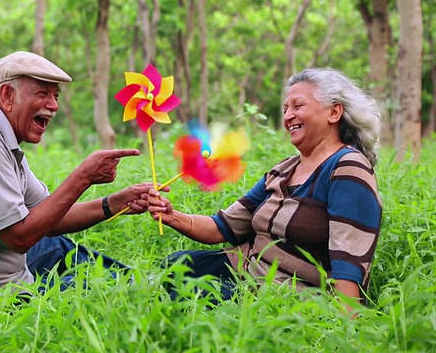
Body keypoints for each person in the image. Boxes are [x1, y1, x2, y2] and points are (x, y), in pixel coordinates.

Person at [0, 51, 161, 294]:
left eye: (56, 96)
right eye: (43, 93)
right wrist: (83, 177)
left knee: (54, 245)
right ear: (7, 95)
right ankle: (147, 288)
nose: (54, 106)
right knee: (94, 289)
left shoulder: (1, 139)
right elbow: (19, 238)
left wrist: (115, 203)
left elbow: (51, 218)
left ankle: (142, 281)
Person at [144, 68, 382, 309]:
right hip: (242, 270)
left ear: (334, 112)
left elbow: (349, 265)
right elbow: (223, 227)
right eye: (285, 109)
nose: (288, 116)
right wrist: (171, 215)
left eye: (298, 106)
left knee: (184, 303)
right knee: (175, 266)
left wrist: (348, 331)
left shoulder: (346, 168)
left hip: (282, 295)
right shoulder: (285, 169)